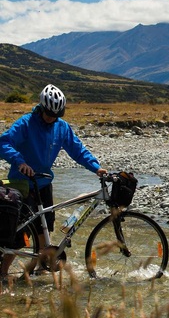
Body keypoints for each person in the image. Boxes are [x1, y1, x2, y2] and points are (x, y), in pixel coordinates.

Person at [0, 84, 107, 278]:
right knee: (19, 233)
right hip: (23, 183)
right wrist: (19, 161)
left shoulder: (61, 127)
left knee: (45, 228)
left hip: (44, 182)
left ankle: (40, 270)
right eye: (48, 113)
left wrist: (96, 167)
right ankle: (3, 272)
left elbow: (77, 150)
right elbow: (3, 142)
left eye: (56, 115)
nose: (51, 118)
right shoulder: (26, 123)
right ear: (41, 108)